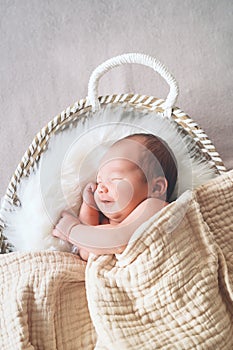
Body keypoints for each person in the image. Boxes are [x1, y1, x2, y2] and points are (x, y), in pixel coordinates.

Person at [52, 133, 177, 261]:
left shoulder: (155, 207)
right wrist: (89, 208)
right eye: (99, 181)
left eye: (115, 179)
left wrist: (72, 231)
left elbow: (116, 238)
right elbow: (87, 252)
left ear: (156, 188)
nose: (101, 188)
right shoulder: (108, 224)